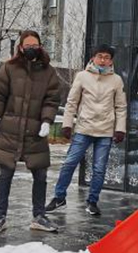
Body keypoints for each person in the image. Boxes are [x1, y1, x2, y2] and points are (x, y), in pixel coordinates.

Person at [0, 30, 62, 234]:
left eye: (34, 45)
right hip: (10, 130)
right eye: (27, 45)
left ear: (40, 46)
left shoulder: (48, 72)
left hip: (35, 132)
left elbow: (52, 99)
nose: (31, 48)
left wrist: (47, 120)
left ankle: (39, 216)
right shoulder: (9, 68)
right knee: (5, 175)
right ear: (20, 47)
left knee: (40, 175)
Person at [46, 44, 127, 217]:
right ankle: (59, 197)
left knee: (99, 169)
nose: (103, 60)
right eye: (100, 56)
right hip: (83, 128)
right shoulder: (82, 76)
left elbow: (121, 107)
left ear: (111, 60)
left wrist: (120, 129)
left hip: (105, 131)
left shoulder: (116, 80)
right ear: (93, 58)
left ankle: (92, 202)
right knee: (69, 163)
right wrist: (67, 124)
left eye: (107, 57)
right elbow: (72, 102)